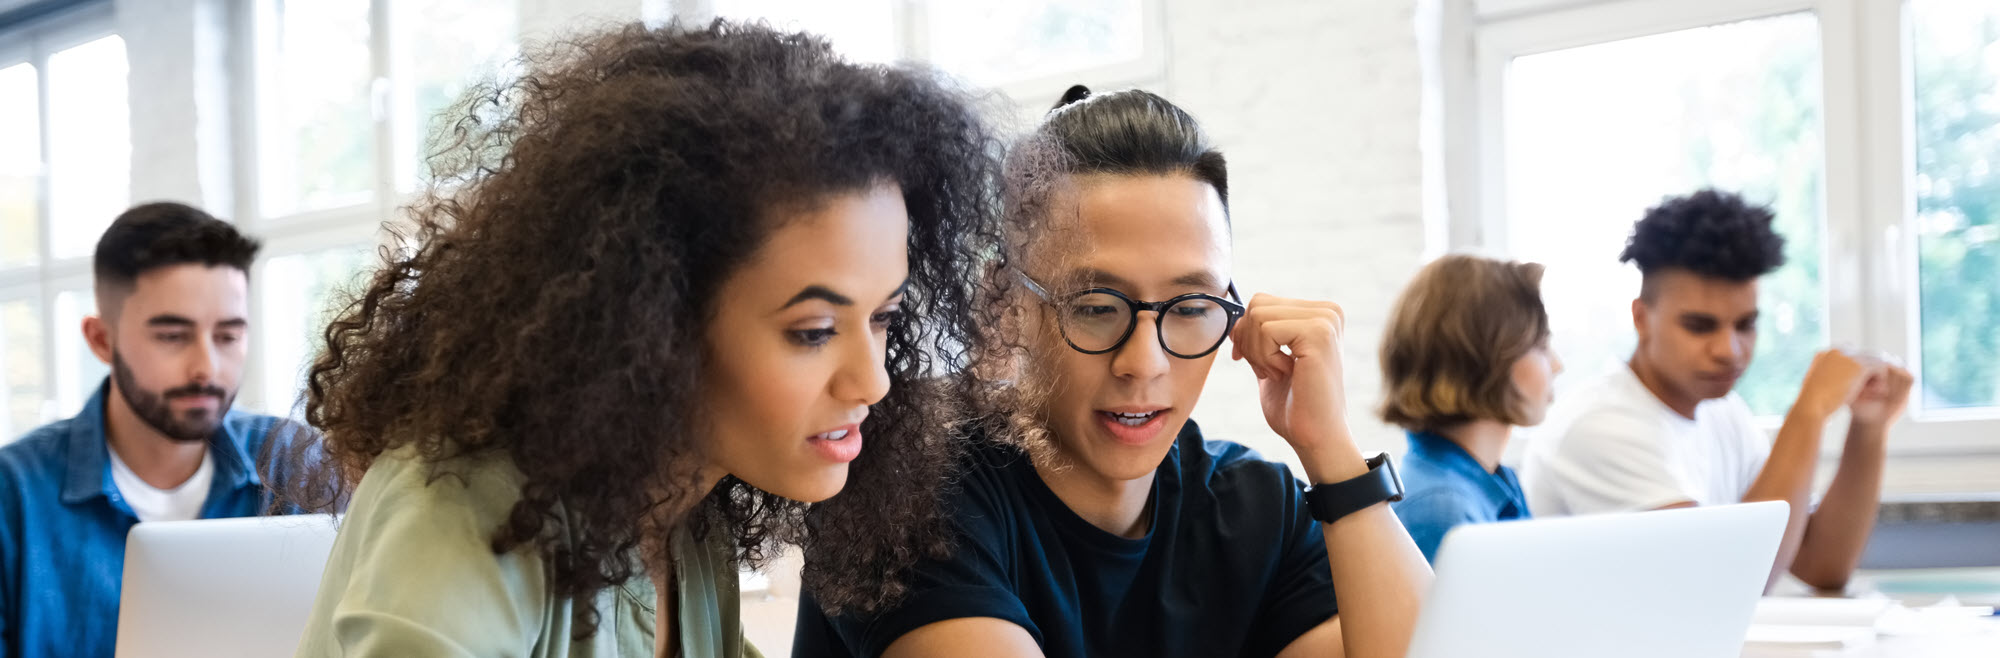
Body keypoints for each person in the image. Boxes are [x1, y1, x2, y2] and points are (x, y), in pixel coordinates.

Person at [286, 21, 1004, 657]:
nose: (873, 381)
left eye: (883, 318)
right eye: (813, 331)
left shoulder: (686, 520)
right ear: (652, 323)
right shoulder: (462, 504)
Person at [794, 85, 1431, 658]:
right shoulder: (904, 488)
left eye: (1189, 307)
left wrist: (1334, 455)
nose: (1143, 363)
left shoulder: (1258, 512)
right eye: (1096, 308)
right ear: (1006, 303)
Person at [1521, 189, 1913, 591]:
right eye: (1699, 326)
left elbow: (1820, 565)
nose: (1730, 351)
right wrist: (1809, 410)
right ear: (1641, 318)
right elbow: (1731, 582)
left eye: (1745, 325)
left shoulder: (1723, 412)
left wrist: (1868, 429)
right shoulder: (1600, 427)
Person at [0, 202, 310, 658]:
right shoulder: (14, 494)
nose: (206, 367)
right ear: (102, 340)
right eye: (173, 336)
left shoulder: (295, 462)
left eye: (228, 336)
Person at [1379, 254, 1559, 563]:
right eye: (1541, 346)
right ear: (1488, 358)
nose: (1557, 365)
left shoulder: (1491, 482)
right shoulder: (1442, 509)